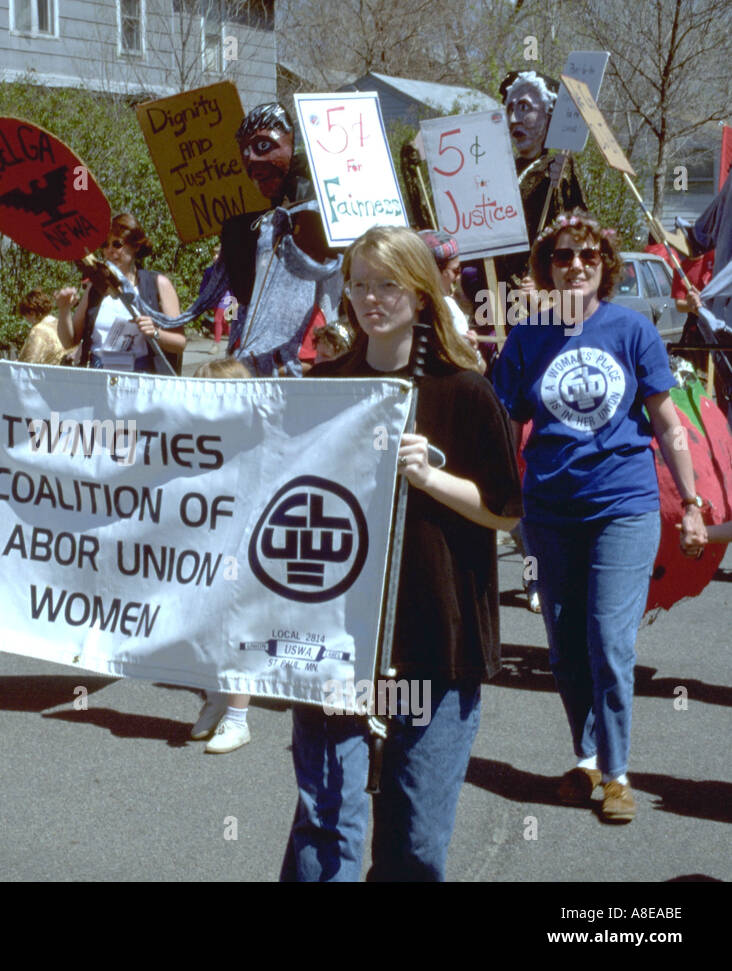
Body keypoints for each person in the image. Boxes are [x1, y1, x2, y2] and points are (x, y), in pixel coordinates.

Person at [282, 227, 522, 881]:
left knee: (414, 834)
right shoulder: (326, 383)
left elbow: (506, 507)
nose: (370, 297)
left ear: (420, 291)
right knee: (326, 817)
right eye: (358, 283)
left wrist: (430, 477)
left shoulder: (464, 392)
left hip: (434, 646)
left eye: (387, 283)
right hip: (337, 646)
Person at [491, 209, 707, 824]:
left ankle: (616, 773)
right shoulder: (528, 337)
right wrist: (505, 492)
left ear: (604, 266)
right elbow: (508, 424)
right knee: (564, 647)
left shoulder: (631, 330)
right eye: (563, 256)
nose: (576, 266)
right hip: (549, 511)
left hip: (623, 504)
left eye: (587, 256)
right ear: (548, 267)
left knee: (609, 641)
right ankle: (585, 756)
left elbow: (668, 422)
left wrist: (691, 503)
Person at [218, 102, 343, 376]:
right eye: (245, 152)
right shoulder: (245, 229)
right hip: (255, 351)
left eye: (263, 147)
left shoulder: (314, 218)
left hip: (305, 350)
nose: (251, 159)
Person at [187, 356, 255, 753]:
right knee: (206, 622)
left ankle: (238, 717)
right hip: (205, 541)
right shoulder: (195, 434)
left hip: (241, 546)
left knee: (239, 628)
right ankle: (215, 696)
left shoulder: (253, 437)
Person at [55, 212, 185, 373]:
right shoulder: (95, 287)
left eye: (117, 244)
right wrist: (64, 309)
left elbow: (180, 343)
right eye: (104, 245)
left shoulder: (159, 284)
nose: (109, 251)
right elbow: (69, 342)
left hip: (141, 378)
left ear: (136, 246)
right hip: (98, 377)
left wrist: (155, 333)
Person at [493, 71, 587, 287]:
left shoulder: (558, 167)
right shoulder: (501, 169)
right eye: (510, 109)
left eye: (524, 108)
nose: (515, 119)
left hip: (538, 289)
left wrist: (563, 180)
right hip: (497, 287)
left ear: (548, 116)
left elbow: (573, 223)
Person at [16, 289, 68, 365]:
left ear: (32, 313)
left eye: (25, 316)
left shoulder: (38, 330)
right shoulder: (61, 324)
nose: (27, 320)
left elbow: (29, 361)